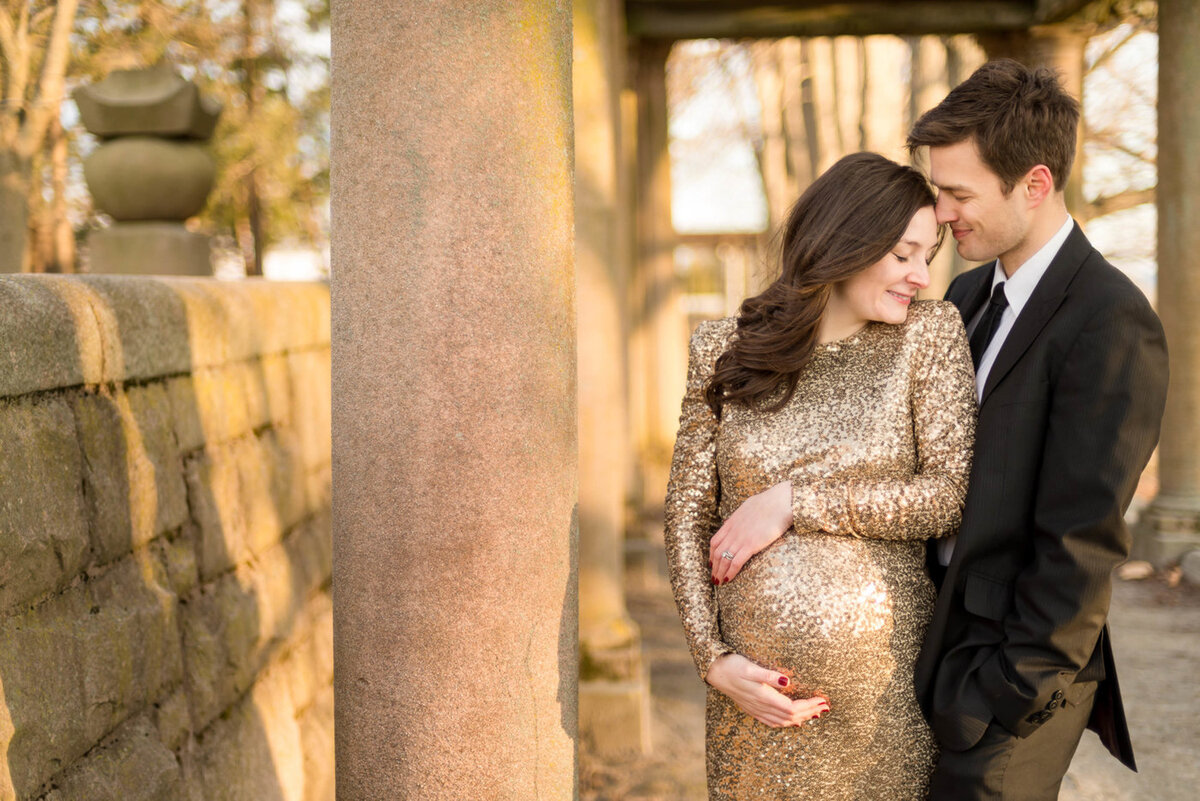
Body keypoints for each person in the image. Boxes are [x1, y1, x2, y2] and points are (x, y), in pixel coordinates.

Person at [663, 151, 977, 800]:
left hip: (879, 713)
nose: (921, 274)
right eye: (903, 254)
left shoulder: (929, 335)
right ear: (845, 244)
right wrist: (713, 660)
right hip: (752, 713)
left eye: (929, 254)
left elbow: (948, 496)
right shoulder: (722, 347)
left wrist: (794, 500)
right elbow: (689, 513)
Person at [903, 59, 1168, 800]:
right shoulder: (963, 294)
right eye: (938, 191)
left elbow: (1082, 540)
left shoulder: (1111, 321)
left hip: (1011, 675)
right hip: (934, 646)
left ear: (1036, 183)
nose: (944, 214)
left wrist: (1013, 687)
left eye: (959, 194)